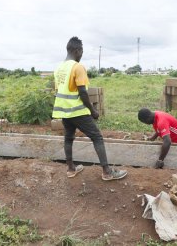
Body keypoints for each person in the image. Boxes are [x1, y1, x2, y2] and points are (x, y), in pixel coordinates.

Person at [52, 36, 127, 181]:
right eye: (81, 52)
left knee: (68, 138)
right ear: (77, 50)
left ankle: (71, 169)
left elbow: (59, 91)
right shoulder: (77, 67)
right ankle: (107, 172)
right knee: (97, 137)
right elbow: (83, 92)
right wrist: (93, 111)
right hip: (78, 111)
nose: (81, 55)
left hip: (64, 112)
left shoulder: (58, 68)